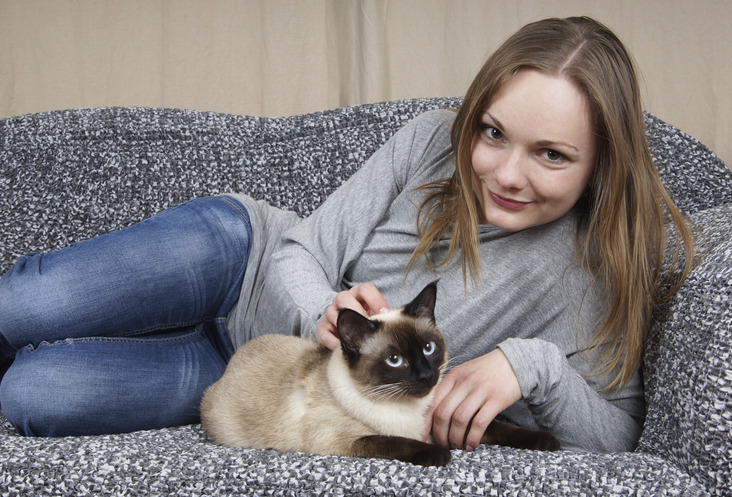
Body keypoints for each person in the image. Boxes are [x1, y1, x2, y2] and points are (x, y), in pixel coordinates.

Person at [0, 16, 694, 452]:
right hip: (240, 261)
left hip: (260, 379)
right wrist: (320, 310)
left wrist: (531, 364)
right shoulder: (428, 141)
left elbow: (617, 435)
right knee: (20, 308)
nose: (505, 174)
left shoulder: (592, 273)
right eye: (493, 133)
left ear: (603, 161)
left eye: (551, 154)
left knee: (33, 396)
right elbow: (301, 251)